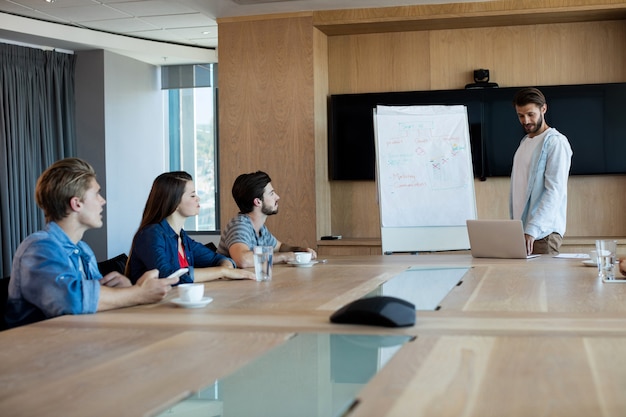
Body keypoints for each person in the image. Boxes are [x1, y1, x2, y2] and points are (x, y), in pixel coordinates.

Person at [4, 158, 178, 328]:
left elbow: (94, 304)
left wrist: (122, 291)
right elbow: (71, 301)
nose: (103, 201)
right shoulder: (38, 247)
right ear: (77, 203)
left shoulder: (83, 250)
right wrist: (138, 293)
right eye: (96, 193)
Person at [126, 171, 255, 283]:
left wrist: (225, 265)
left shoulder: (182, 237)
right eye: (192, 195)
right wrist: (222, 272)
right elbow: (168, 276)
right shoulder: (151, 235)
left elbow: (218, 259)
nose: (198, 198)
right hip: (150, 310)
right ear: (174, 202)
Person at [510, 87, 573, 255]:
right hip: (522, 233)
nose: (526, 120)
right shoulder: (524, 142)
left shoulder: (555, 142)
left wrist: (532, 229)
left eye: (531, 114)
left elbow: (554, 190)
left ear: (543, 109)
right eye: (521, 115)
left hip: (543, 235)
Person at [217, 171, 317, 268]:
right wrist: (285, 257)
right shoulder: (239, 226)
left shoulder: (260, 229)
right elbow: (243, 260)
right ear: (258, 202)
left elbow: (279, 247)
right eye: (271, 193)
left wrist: (300, 250)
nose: (277, 197)